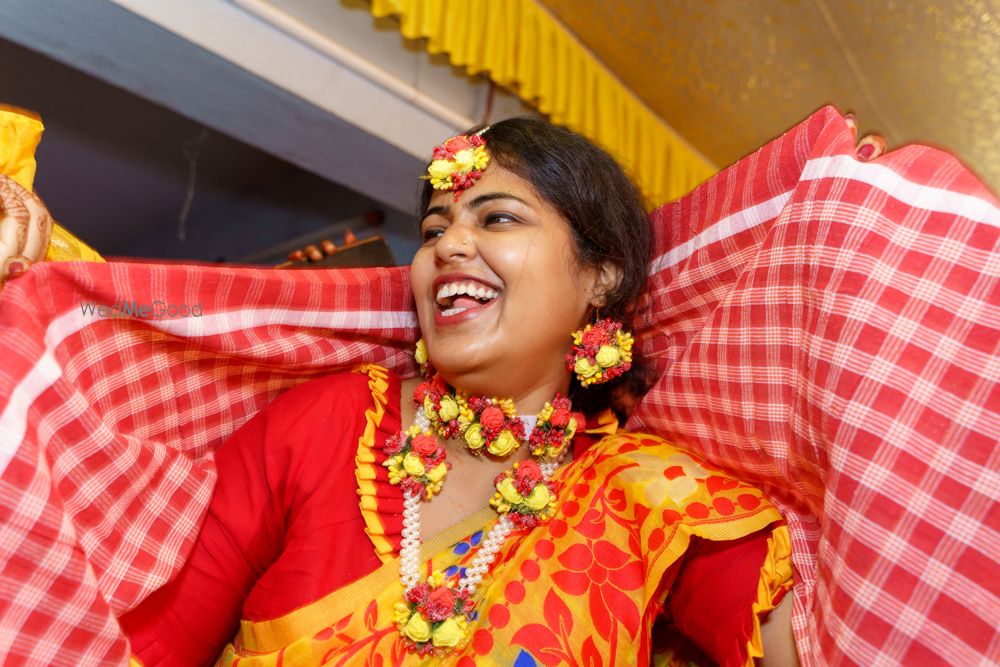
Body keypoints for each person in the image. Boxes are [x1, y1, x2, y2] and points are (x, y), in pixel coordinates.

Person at [110, 119, 797, 665]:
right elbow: (147, 648)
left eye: (496, 218)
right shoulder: (330, 421)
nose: (449, 245)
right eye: (434, 229)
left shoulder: (647, 499)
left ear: (601, 277)